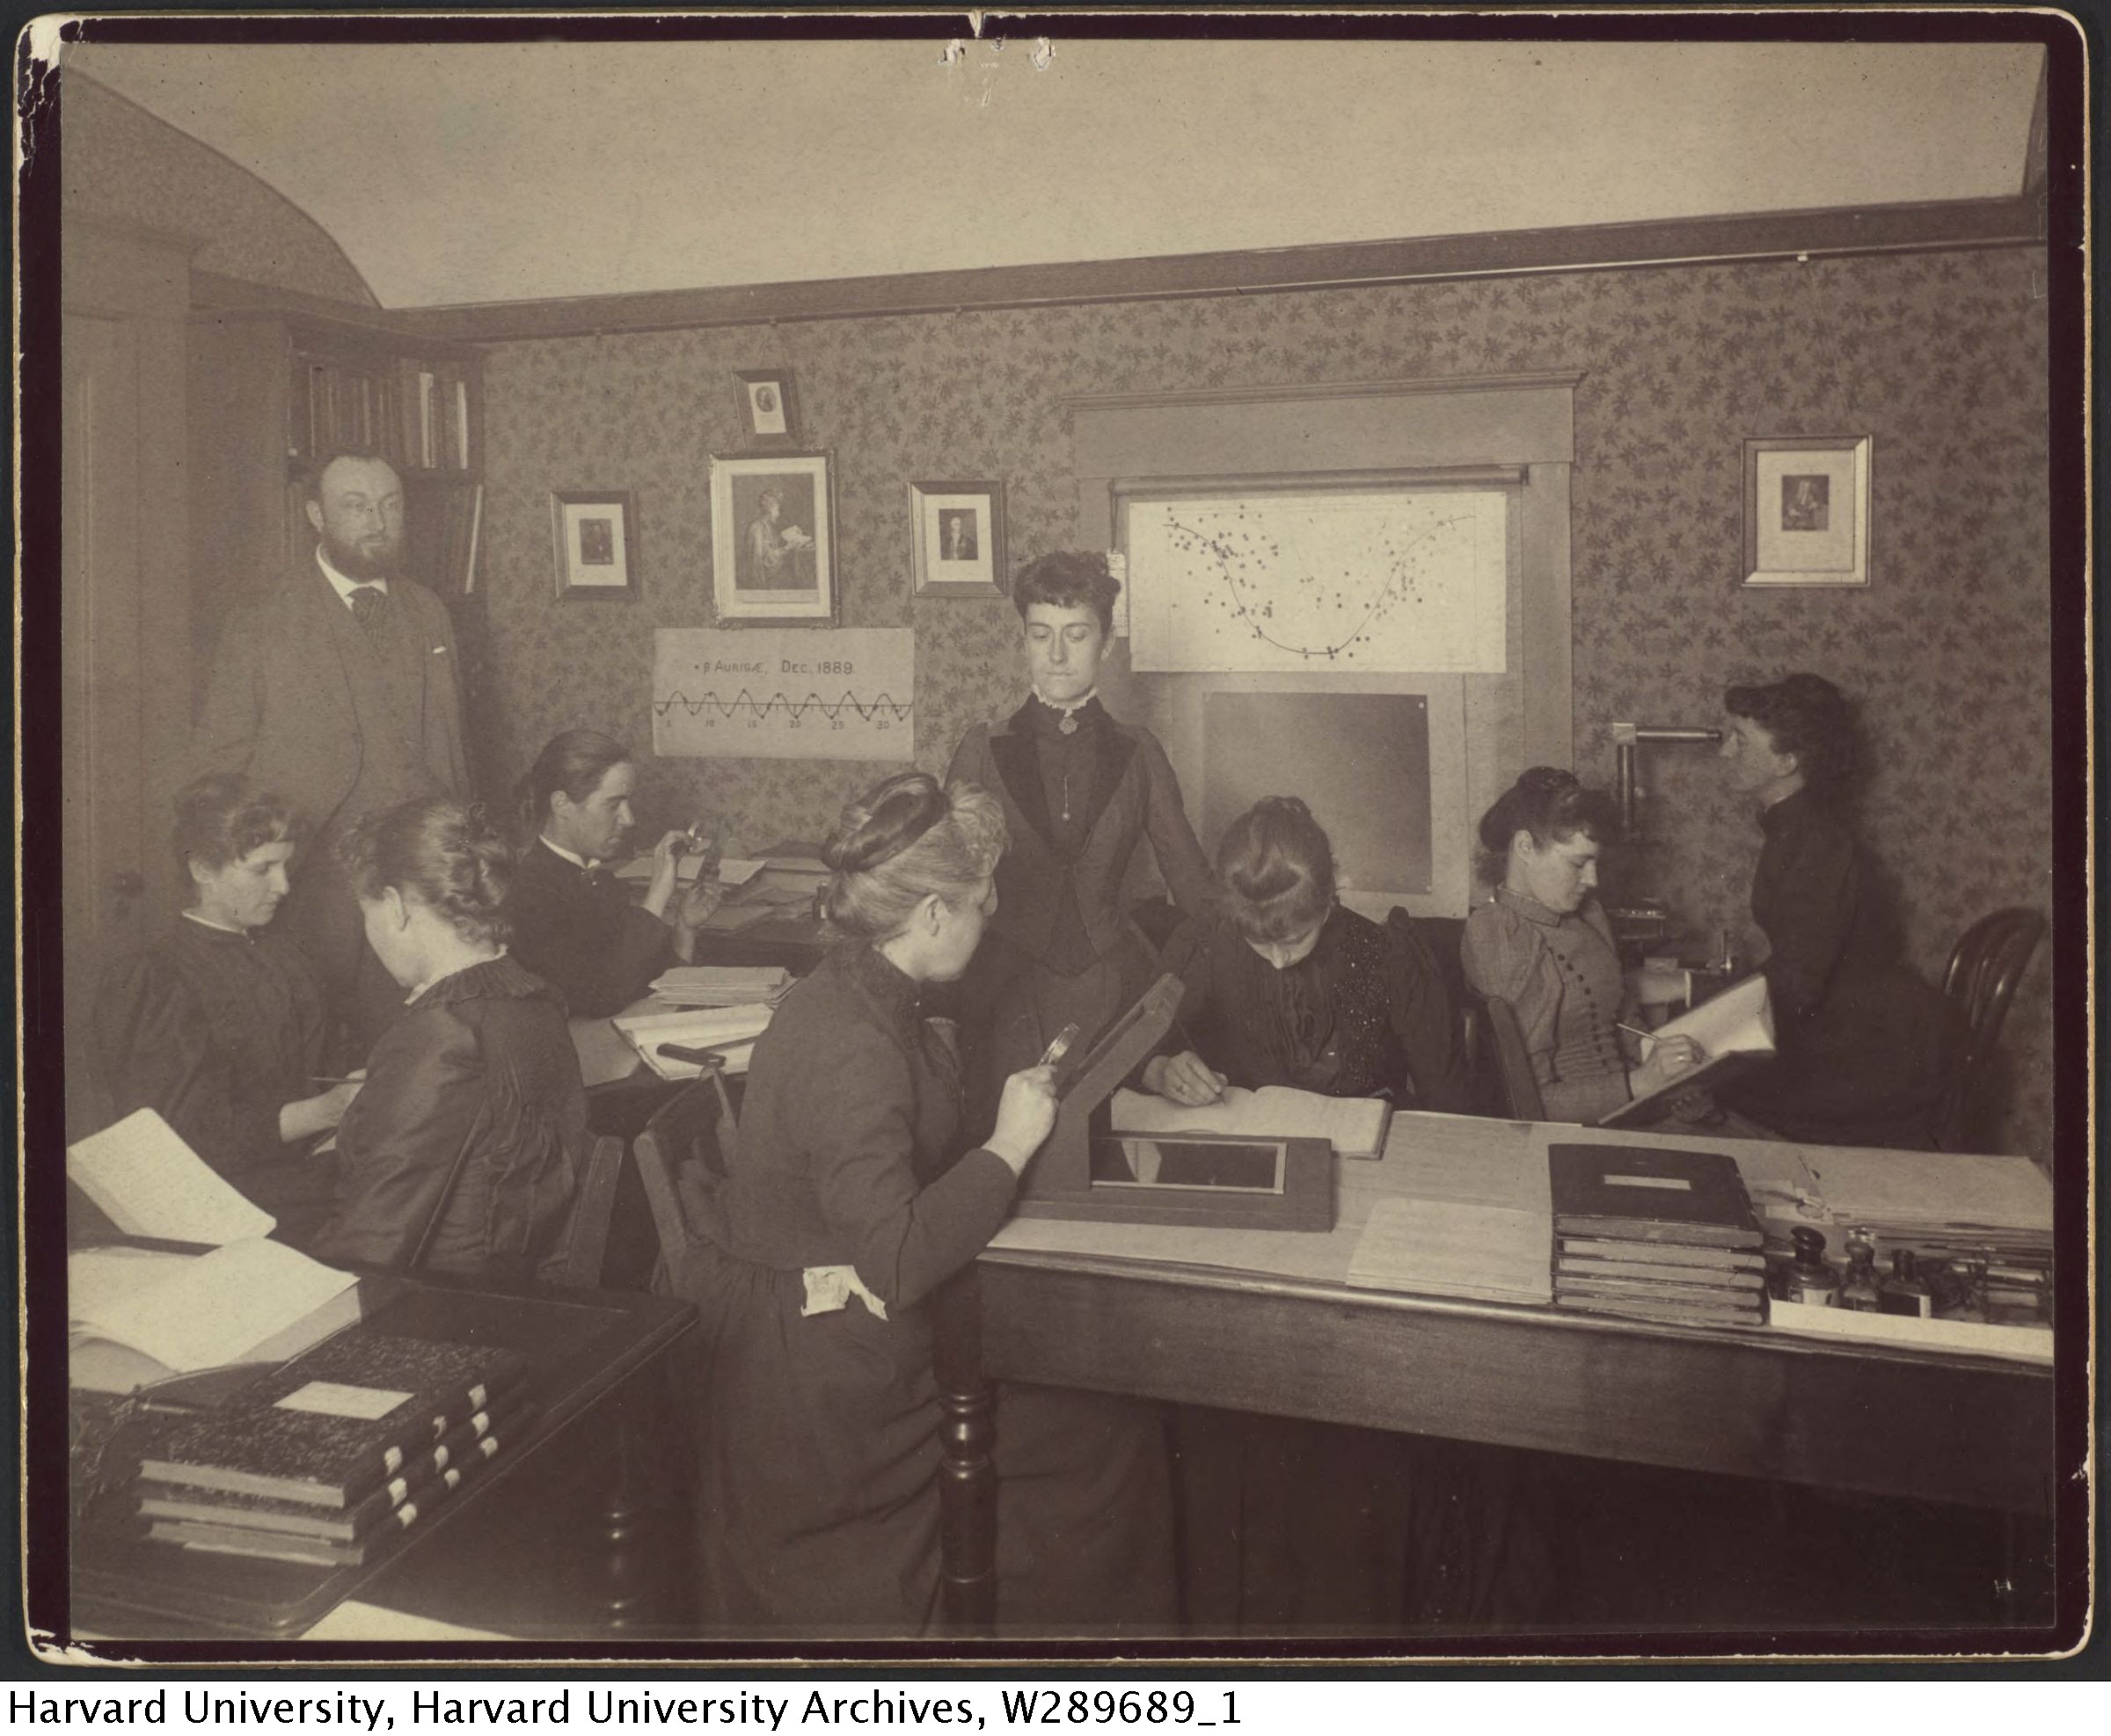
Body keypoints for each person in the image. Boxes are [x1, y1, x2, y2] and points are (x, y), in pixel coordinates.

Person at [678, 772, 1176, 1636]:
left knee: (1100, 1418)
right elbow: (899, 1259)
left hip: (834, 1338)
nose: (992, 916)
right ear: (935, 915)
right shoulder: (852, 1043)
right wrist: (1010, 1144)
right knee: (1109, 1434)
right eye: (983, 901)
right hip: (827, 1385)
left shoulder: (862, 993)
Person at [194, 448, 471, 1057]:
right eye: (356, 505)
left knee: (418, 1056)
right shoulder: (262, 621)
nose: (377, 520)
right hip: (305, 895)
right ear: (316, 514)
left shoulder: (429, 613)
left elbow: (452, 756)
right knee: (312, 1063)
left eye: (390, 504)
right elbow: (218, 770)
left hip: (411, 894)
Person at [943, 550, 1214, 1133]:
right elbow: (941, 887)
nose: (1058, 655)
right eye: (1041, 635)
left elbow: (1195, 891)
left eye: (1077, 634)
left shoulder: (1139, 752)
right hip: (1002, 999)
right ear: (1023, 640)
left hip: (1113, 999)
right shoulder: (981, 749)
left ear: (1107, 643)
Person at [309, 798, 584, 1279]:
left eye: (367, 915)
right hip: (518, 1281)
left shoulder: (440, 1033)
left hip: (442, 1306)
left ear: (394, 907)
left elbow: (369, 1245)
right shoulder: (534, 996)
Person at [93, 774, 357, 1246]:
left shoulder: (285, 953)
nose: (283, 886)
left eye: (285, 867)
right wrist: (324, 1113)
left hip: (306, 1176)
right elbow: (181, 1141)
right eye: (262, 869)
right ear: (203, 870)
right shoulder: (159, 977)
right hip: (230, 1209)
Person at [1713, 675, 1959, 1149]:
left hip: (1875, 1052)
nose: (1725, 752)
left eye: (1740, 741)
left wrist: (1706, 1012)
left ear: (1788, 761)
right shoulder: (1794, 828)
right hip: (1856, 1029)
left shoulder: (1817, 843)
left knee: (1706, 1090)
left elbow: (1800, 982)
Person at [1141, 795, 1470, 1113]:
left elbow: (1448, 1100)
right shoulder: (1208, 944)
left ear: (1329, 898)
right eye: (1257, 942)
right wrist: (1162, 1070)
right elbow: (1135, 1046)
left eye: (1295, 940)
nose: (1277, 960)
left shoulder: (1388, 956)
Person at [1461, 768, 1701, 1123]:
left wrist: (1673, 1083)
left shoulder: (1588, 914)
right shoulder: (1498, 933)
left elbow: (1626, 1024)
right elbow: (1530, 1104)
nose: (1592, 880)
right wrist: (1642, 1084)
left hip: (1638, 1110)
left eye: (1595, 862)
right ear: (1524, 847)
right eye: (1578, 863)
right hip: (1576, 1130)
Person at [508, 729, 724, 1018]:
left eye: (628, 802)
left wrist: (686, 927)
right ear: (561, 805)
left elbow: (657, 987)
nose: (629, 818)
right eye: (613, 804)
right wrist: (658, 892)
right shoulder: (530, 892)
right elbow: (604, 999)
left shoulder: (601, 881)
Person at [741, 488, 812, 589]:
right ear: (770, 509)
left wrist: (784, 535)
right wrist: (787, 548)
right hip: (763, 581)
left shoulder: (766, 525)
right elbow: (766, 560)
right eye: (777, 510)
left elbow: (770, 545)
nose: (779, 514)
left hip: (771, 575)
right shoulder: (757, 528)